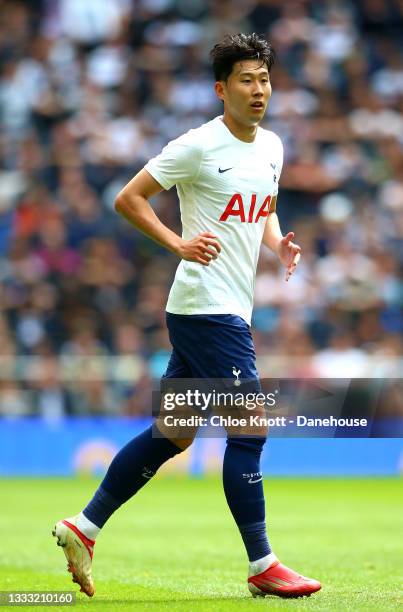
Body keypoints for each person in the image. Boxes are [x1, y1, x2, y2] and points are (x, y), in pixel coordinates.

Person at [52, 33, 321, 599]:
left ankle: (84, 527)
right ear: (221, 89)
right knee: (250, 426)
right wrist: (177, 243)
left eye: (265, 79)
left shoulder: (272, 146)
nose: (258, 90)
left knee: (172, 434)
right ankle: (262, 564)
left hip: (219, 309)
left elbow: (263, 207)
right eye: (246, 80)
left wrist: (276, 244)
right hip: (206, 309)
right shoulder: (197, 146)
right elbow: (128, 198)